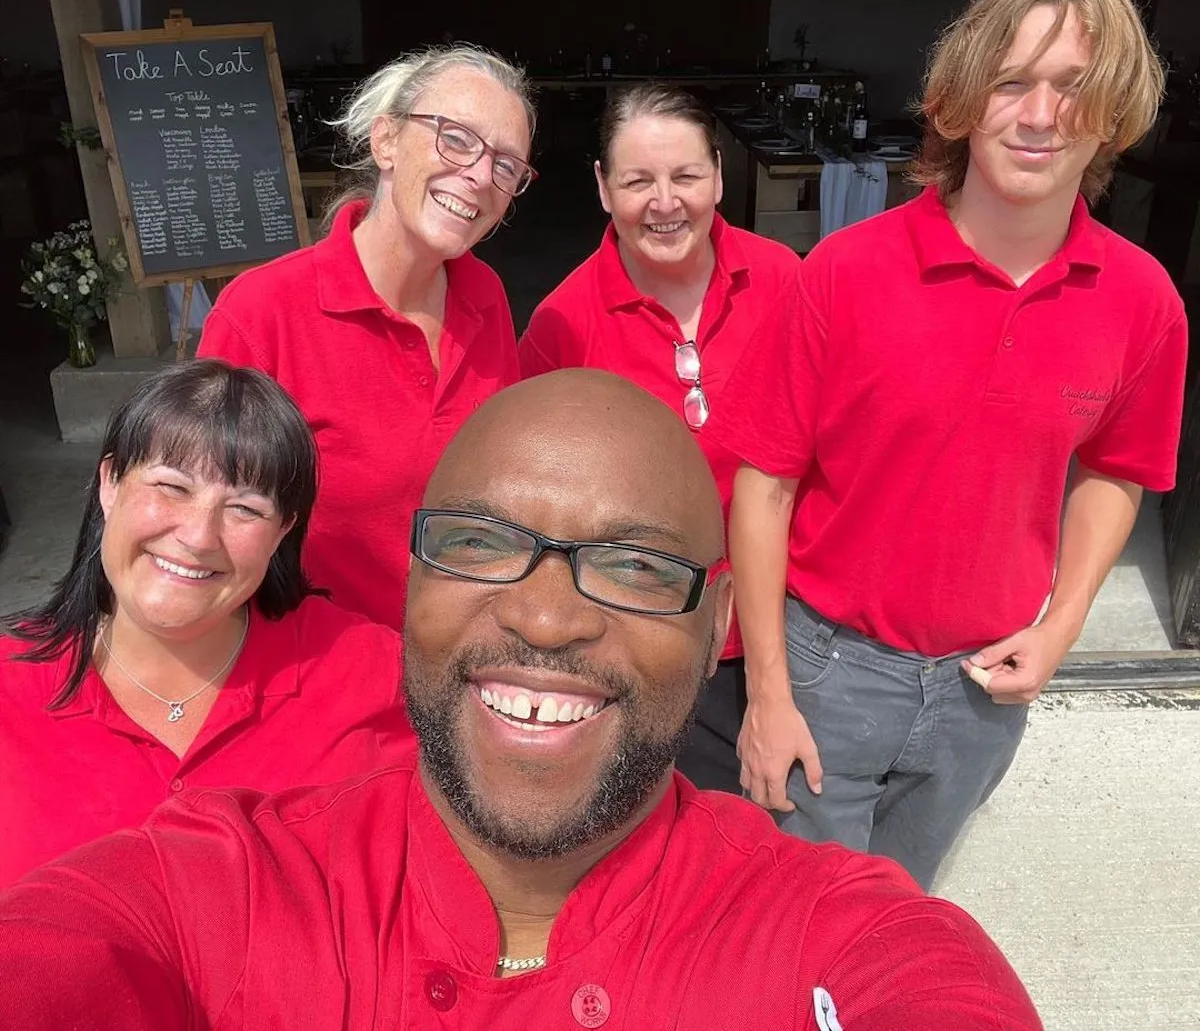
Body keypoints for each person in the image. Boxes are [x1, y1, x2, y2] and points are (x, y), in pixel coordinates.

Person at [0, 371, 1043, 1029]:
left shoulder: (822, 930)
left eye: (634, 565)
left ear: (720, 620)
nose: (546, 619)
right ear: (410, 582)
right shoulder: (224, 887)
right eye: (479, 545)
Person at [713, 0, 1187, 891]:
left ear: (1116, 116)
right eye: (1011, 82)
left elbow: (1118, 469)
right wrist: (767, 690)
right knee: (800, 918)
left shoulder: (1143, 300)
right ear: (959, 102)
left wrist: (1060, 628)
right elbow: (764, 485)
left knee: (900, 920)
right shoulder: (843, 276)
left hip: (984, 691)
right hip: (827, 672)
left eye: (1074, 86)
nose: (1042, 116)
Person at [0, 360, 412, 887]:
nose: (198, 536)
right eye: (171, 486)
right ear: (109, 482)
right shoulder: (14, 686)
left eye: (244, 508)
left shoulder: (366, 671)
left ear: (283, 529)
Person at [519, 84, 801, 793]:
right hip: (643, 642)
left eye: (686, 177)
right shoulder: (562, 325)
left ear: (718, 173)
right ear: (603, 188)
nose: (665, 202)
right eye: (638, 180)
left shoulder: (787, 283)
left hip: (790, 633)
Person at [198, 44, 536, 631]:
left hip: (460, 655)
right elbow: (206, 537)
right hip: (320, 672)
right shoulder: (262, 315)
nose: (480, 175)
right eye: (456, 138)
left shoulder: (486, 297)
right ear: (386, 142)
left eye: (506, 166)